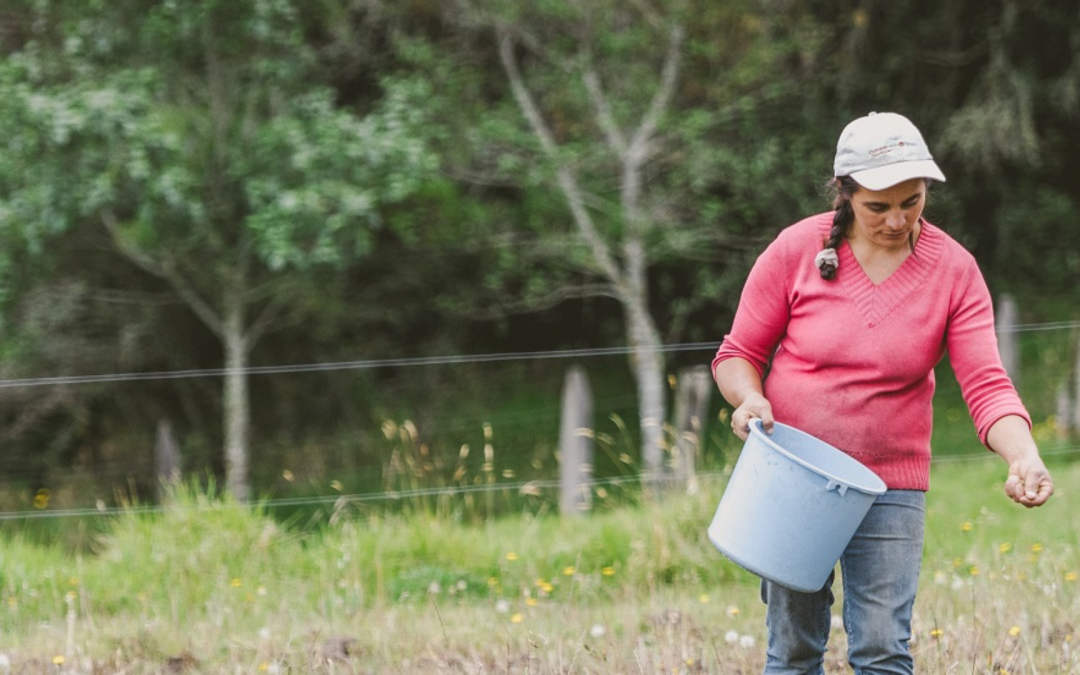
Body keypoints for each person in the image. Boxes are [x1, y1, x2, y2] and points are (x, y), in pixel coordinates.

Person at [711, 111, 1054, 675]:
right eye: (878, 206)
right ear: (845, 193)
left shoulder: (954, 271)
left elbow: (986, 384)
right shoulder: (796, 250)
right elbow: (737, 355)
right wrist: (749, 398)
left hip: (891, 484)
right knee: (793, 649)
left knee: (882, 648)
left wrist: (1024, 455)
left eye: (912, 201)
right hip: (793, 477)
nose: (897, 220)